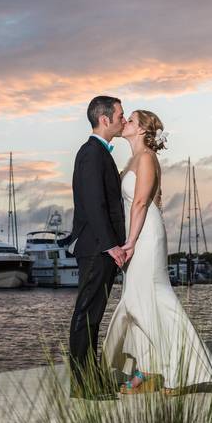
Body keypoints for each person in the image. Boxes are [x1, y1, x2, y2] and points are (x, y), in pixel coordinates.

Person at [101, 110, 212, 395]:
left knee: (153, 300)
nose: (125, 123)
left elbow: (142, 202)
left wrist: (129, 242)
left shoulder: (145, 158)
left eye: (131, 120)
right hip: (140, 232)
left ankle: (178, 371)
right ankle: (147, 372)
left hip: (144, 234)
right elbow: (150, 200)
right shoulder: (134, 158)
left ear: (142, 130)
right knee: (138, 302)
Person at [62, 95, 131, 400]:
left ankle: (91, 380)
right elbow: (94, 204)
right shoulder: (91, 153)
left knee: (92, 318)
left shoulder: (100, 153)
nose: (123, 119)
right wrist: (111, 245)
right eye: (120, 115)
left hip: (100, 248)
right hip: (96, 248)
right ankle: (82, 384)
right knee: (86, 316)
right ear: (105, 119)